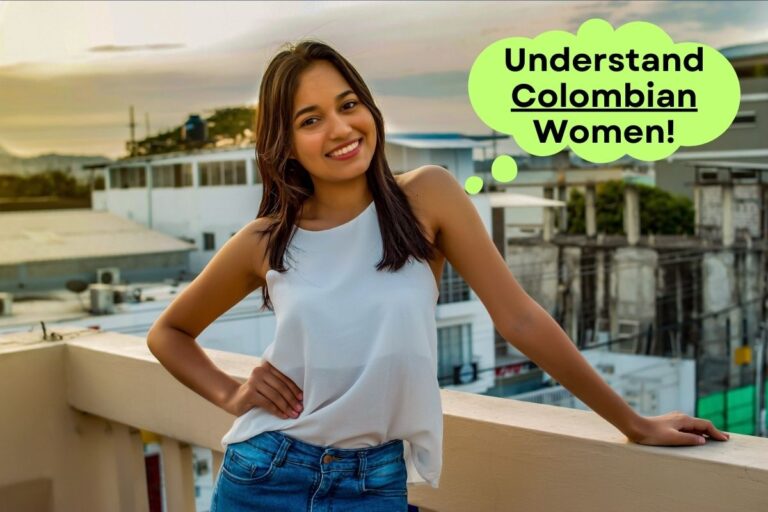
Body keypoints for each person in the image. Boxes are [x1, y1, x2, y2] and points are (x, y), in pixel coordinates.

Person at [146, 40, 729, 512]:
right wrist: (231, 391)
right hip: (263, 476)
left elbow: (520, 318)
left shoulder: (428, 196)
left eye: (349, 105)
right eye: (311, 119)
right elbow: (168, 333)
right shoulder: (266, 240)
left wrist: (633, 422)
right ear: (286, 144)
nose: (341, 129)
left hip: (373, 482)